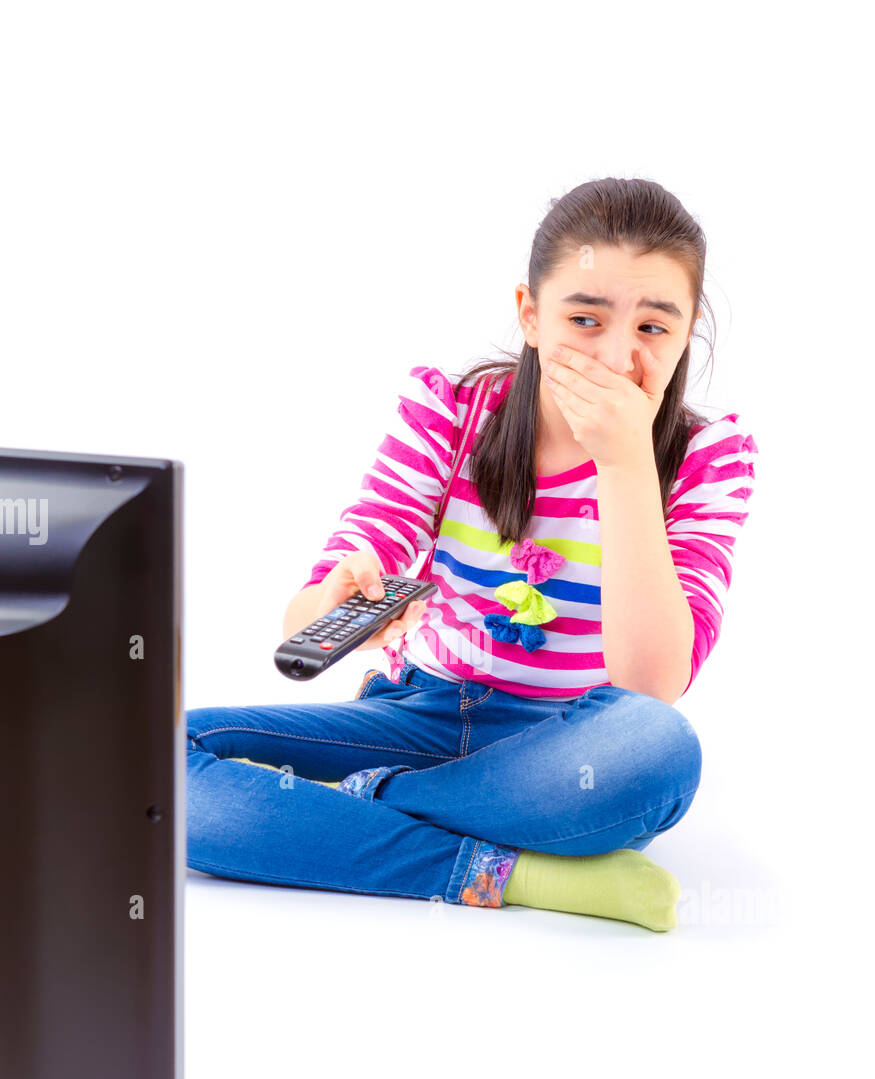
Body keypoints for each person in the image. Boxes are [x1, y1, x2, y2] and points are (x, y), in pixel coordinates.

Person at [187, 177, 757, 932]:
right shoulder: (451, 414)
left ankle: (342, 808)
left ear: (686, 333)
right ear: (529, 313)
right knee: (154, 760)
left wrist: (622, 465)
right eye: (584, 318)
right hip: (418, 712)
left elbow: (650, 681)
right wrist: (336, 599)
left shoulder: (705, 457)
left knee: (658, 750)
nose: (616, 357)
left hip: (566, 749)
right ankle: (510, 872)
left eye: (654, 328)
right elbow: (328, 588)